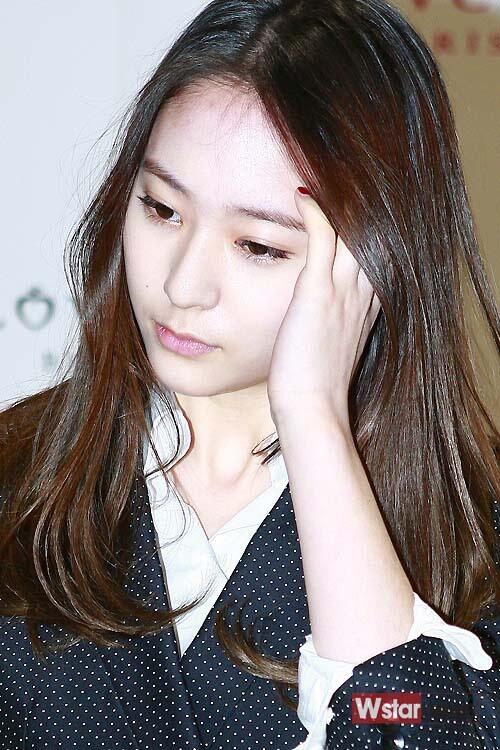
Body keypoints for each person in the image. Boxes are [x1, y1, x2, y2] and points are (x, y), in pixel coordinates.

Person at [0, 0, 499, 748]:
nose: (183, 284)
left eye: (258, 246)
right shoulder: (19, 479)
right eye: (161, 208)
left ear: (372, 261)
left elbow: (407, 725)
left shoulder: (468, 543)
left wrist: (314, 418)